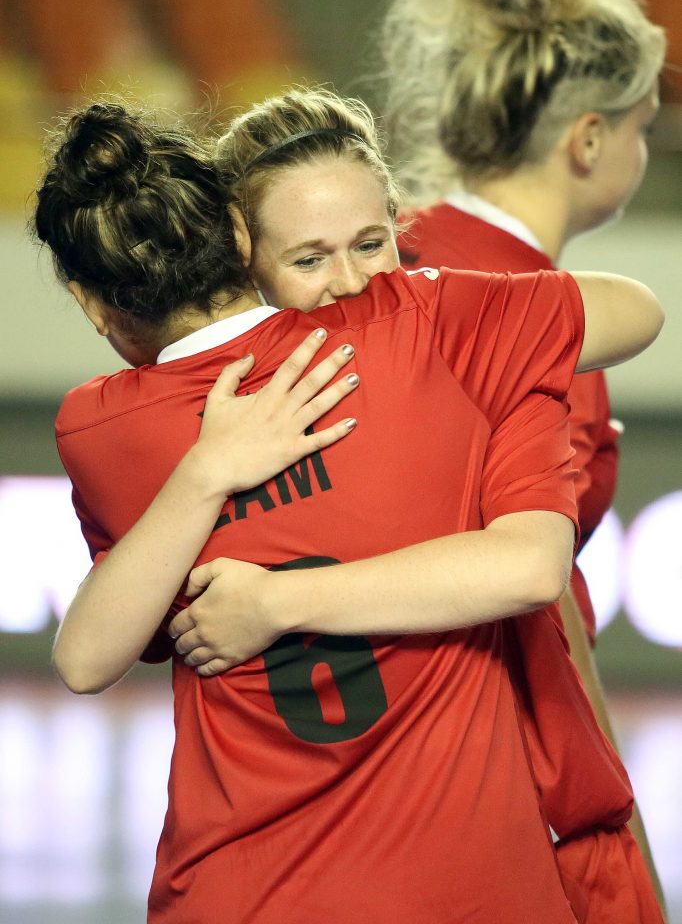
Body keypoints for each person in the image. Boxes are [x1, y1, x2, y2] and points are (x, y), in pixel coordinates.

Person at [40, 97, 662, 924]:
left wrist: (237, 534)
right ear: (240, 241)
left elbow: (84, 662)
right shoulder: (436, 327)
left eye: (373, 245)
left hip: (236, 888)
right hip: (470, 884)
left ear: (91, 300)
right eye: (312, 257)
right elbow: (634, 315)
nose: (351, 282)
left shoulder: (98, 425)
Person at [380, 0, 667, 918]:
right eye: (644, 124)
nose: (648, 144)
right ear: (588, 140)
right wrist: (620, 852)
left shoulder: (382, 251)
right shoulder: (538, 317)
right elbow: (540, 612)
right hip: (495, 781)